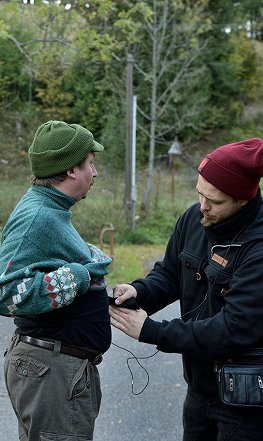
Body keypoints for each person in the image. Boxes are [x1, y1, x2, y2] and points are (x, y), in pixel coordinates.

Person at [109, 137, 263, 441]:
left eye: (215, 201)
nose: (203, 206)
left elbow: (232, 329)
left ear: (243, 199)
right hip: (199, 391)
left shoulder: (257, 247)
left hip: (244, 401)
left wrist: (152, 331)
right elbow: (168, 274)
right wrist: (139, 292)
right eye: (200, 194)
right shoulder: (194, 218)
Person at [0, 120, 112, 441]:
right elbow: (3, 294)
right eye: (90, 164)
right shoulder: (37, 216)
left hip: (58, 369)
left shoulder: (52, 209)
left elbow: (49, 265)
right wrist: (81, 275)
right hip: (52, 371)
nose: (95, 173)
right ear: (72, 170)